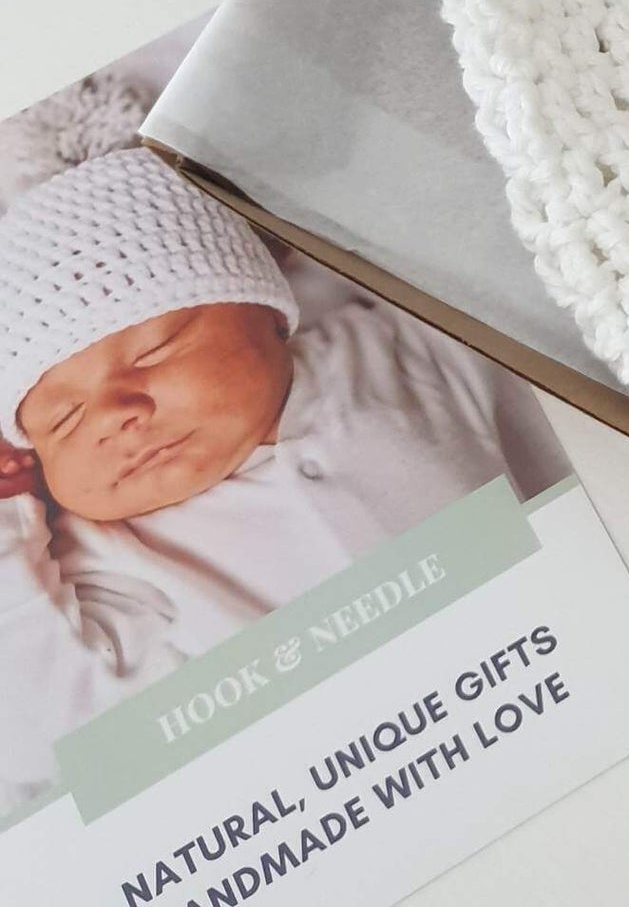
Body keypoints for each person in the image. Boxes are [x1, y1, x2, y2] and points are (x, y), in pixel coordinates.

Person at [0, 149, 563, 814]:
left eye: (155, 350)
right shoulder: (108, 555)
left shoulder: (394, 352)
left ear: (269, 312)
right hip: (346, 798)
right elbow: (38, 737)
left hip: (544, 676)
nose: (117, 416)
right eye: (63, 420)